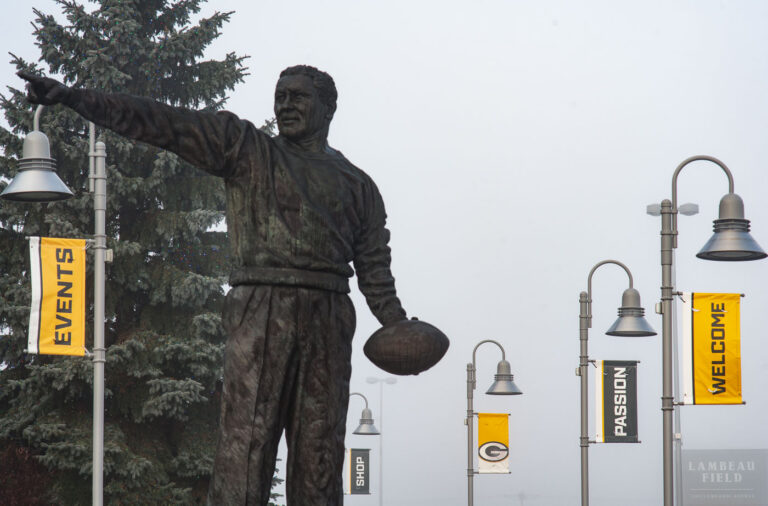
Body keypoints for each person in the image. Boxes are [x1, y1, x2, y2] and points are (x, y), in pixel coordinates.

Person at [19, 65, 407, 506]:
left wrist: (397, 324)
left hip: (330, 316)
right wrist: (76, 97)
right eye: (280, 96)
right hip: (260, 308)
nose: (285, 105)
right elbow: (164, 122)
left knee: (321, 452)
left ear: (328, 107)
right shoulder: (245, 148)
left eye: (298, 97)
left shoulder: (359, 185)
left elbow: (375, 267)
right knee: (245, 446)